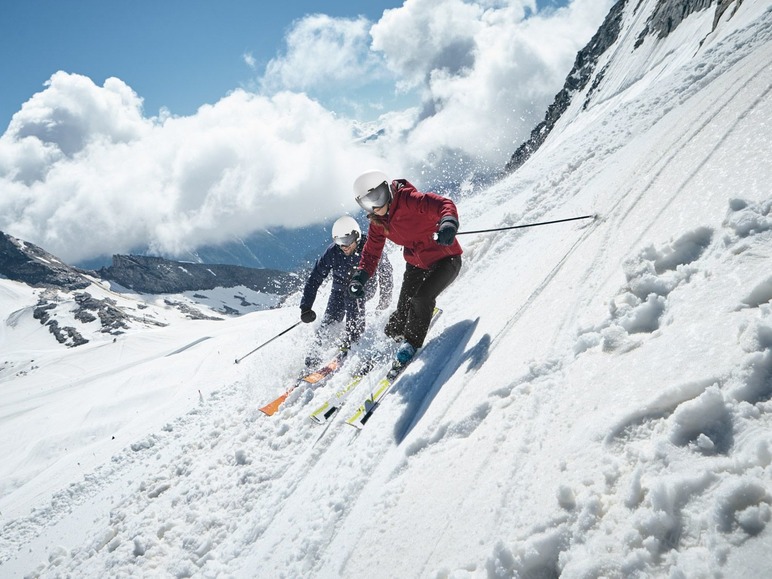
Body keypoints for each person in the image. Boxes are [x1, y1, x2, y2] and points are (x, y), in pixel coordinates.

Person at [348, 170, 462, 366]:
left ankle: (411, 343)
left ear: (387, 191)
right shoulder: (378, 222)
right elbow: (372, 252)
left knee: (421, 298)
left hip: (446, 258)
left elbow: (443, 204)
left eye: (377, 197)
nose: (374, 206)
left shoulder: (408, 199)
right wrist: (360, 276)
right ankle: (394, 337)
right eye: (367, 203)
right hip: (416, 264)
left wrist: (448, 222)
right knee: (401, 314)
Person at [300, 215, 393, 366]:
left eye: (347, 241)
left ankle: (353, 339)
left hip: (364, 286)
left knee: (352, 297)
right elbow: (314, 279)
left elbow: (386, 272)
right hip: (339, 289)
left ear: (356, 235)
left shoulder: (369, 246)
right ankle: (313, 358)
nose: (344, 247)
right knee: (330, 319)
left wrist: (384, 300)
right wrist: (306, 307)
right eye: (340, 242)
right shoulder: (333, 252)